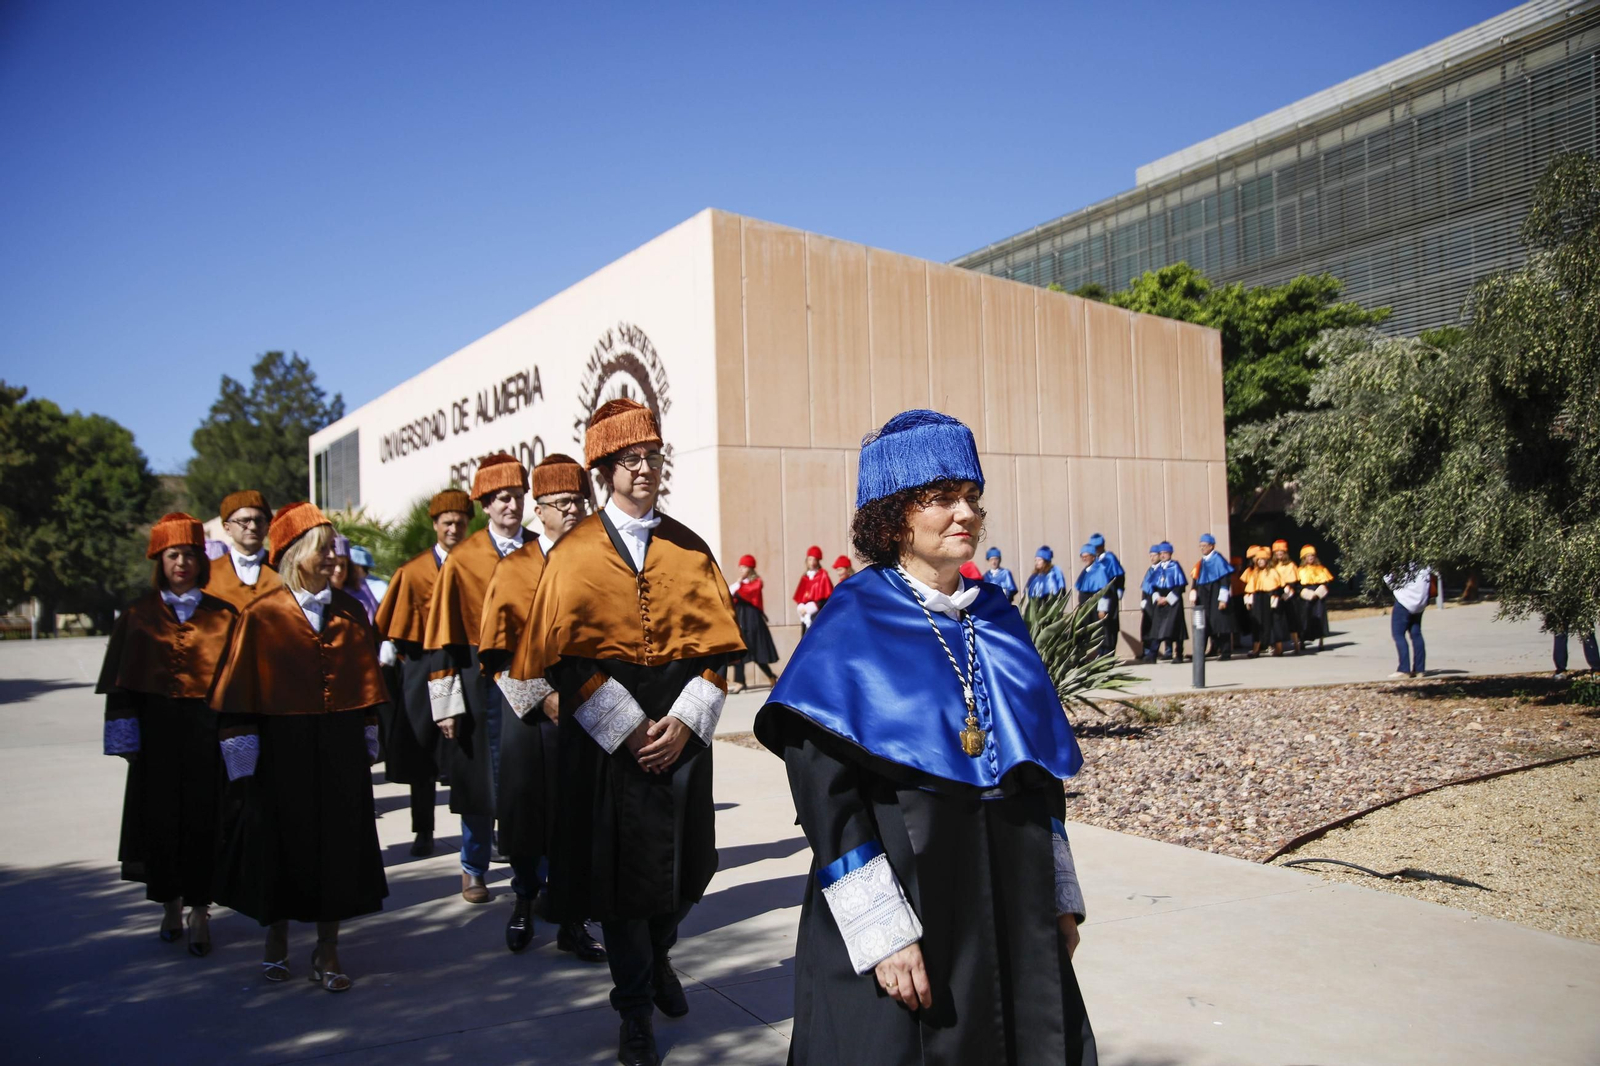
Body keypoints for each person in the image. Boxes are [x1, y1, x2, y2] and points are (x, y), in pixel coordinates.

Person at [753, 409, 1095, 1066]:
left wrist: (1059, 898)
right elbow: (828, 798)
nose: (964, 512)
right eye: (940, 498)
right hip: (906, 898)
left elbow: (1038, 771)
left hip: (1010, 895)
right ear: (892, 518)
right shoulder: (852, 620)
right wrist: (882, 934)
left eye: (971, 497)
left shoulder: (997, 616)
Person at [515, 398, 745, 1066]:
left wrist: (684, 722)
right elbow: (562, 659)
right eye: (630, 458)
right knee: (619, 882)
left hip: (680, 724)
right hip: (605, 732)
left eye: (652, 456)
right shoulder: (573, 553)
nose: (644, 468)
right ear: (604, 468)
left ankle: (661, 956)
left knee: (684, 869)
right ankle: (634, 1007)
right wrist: (626, 727)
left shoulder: (690, 547)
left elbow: (717, 655)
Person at [211, 502, 389, 992]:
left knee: (336, 848)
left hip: (338, 747)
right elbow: (239, 696)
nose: (335, 558)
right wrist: (243, 762)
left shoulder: (351, 611)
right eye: (325, 549)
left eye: (335, 549)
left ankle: (328, 948)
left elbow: (367, 688)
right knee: (282, 846)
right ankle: (276, 938)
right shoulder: (261, 614)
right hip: (281, 749)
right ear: (295, 555)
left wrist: (369, 736)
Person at [479, 452, 608, 960]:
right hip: (532, 711)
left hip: (592, 704)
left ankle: (572, 922)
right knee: (529, 814)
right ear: (540, 510)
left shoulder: (601, 559)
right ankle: (523, 899)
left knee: (580, 820)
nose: (572, 511)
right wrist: (546, 698)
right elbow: (495, 653)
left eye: (578, 501)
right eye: (560, 503)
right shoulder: (515, 569)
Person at [97, 512, 236, 957]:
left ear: (201, 560)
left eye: (190, 555)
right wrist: (126, 739)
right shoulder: (137, 615)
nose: (182, 563)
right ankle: (170, 905)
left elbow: (238, 682)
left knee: (203, 822)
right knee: (159, 822)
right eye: (174, 555)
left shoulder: (224, 615)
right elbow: (119, 684)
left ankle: (199, 911)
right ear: (160, 560)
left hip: (206, 735)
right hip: (155, 737)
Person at [424, 453, 527, 906]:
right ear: (485, 503)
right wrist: (445, 705)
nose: (512, 506)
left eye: (518, 497)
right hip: (473, 678)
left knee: (529, 779)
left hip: (527, 677)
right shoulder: (462, 560)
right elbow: (441, 640)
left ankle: (533, 868)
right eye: (502, 498)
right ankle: (473, 867)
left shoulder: (540, 550)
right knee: (477, 780)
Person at [371, 490, 467, 859]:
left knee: (468, 752)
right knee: (421, 752)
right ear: (435, 525)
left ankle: (479, 828)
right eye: (448, 523)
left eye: (460, 522)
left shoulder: (478, 564)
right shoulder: (412, 572)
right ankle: (423, 830)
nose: (454, 528)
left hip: (465, 663)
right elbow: (389, 625)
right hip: (422, 664)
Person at [206, 490, 283, 609]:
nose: (252, 527)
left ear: (267, 526)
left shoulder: (283, 569)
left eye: (259, 521)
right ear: (227, 528)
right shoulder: (209, 572)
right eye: (244, 521)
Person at [726, 554, 780, 694]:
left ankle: (771, 676)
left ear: (750, 568)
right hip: (740, 618)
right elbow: (729, 594)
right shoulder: (740, 583)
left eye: (743, 567)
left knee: (756, 652)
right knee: (740, 650)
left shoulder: (756, 582)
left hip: (752, 620)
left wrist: (738, 586)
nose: (741, 569)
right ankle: (740, 681)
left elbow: (745, 593)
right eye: (740, 567)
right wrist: (738, 584)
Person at [1188, 534, 1234, 661]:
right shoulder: (1201, 562)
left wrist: (1223, 599)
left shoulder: (1218, 560)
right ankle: (1200, 652)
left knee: (1220, 624)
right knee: (1204, 624)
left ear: (1211, 546)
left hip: (1215, 596)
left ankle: (1225, 652)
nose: (1202, 548)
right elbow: (1196, 579)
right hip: (1203, 596)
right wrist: (1193, 591)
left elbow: (1225, 581)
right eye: (1200, 546)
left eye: (1204, 546)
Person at [1384, 565, 1433, 678]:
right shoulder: (1424, 563)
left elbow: (1391, 581)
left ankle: (1404, 669)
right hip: (1420, 603)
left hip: (1404, 601)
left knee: (1398, 634)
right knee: (1416, 634)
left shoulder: (1402, 562)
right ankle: (1420, 669)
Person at [1074, 544, 1120, 658]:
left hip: (1097, 607)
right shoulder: (1086, 571)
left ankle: (1105, 655)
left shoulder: (1100, 569)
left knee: (1102, 631)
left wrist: (1102, 608)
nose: (1084, 558)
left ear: (1093, 557)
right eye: (1082, 556)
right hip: (1087, 608)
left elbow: (1104, 591)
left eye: (1086, 556)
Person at [1148, 542, 1187, 663]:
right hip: (1160, 602)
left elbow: (1180, 586)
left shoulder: (1175, 567)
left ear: (1170, 553)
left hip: (1173, 603)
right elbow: (1153, 587)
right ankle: (1152, 654)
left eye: (1165, 553)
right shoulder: (1158, 568)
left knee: (1175, 628)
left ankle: (1178, 654)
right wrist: (1157, 597)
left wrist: (1168, 599)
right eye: (1161, 553)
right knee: (1157, 629)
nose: (1163, 555)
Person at [1243, 547, 1285, 657]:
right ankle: (1256, 649)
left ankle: (1279, 648)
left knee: (1274, 623)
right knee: (1257, 624)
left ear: (1267, 560)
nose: (1260, 561)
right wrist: (1248, 601)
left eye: (1263, 559)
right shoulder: (1255, 573)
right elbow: (1250, 588)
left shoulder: (1273, 572)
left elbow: (1279, 587)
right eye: (1258, 560)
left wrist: (1275, 597)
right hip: (1258, 599)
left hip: (1271, 598)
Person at [1295, 545, 1334, 651]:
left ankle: (1321, 641)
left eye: (1312, 556)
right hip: (1305, 597)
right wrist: (1306, 593)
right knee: (1304, 618)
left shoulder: (1321, 569)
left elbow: (1327, 583)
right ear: (1304, 558)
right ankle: (1302, 640)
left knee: (1320, 616)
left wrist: (1318, 593)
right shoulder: (1299, 570)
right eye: (1308, 556)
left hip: (1318, 596)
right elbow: (1297, 586)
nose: (1310, 558)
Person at [1269, 540, 1302, 653]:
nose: (1279, 553)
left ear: (1285, 552)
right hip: (1275, 593)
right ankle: (1278, 647)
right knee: (1276, 620)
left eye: (1281, 551)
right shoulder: (1272, 565)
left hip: (1289, 594)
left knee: (1291, 619)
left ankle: (1296, 645)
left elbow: (1294, 581)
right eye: (1277, 551)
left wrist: (1288, 590)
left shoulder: (1291, 565)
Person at [793, 546, 834, 632]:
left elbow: (826, 597)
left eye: (814, 560)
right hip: (805, 614)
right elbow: (801, 596)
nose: (812, 562)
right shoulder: (805, 577)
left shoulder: (823, 576)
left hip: (817, 613)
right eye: (810, 559)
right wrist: (801, 606)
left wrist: (812, 607)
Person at [1138, 545, 1161, 663]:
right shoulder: (1150, 570)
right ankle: (1146, 651)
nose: (1152, 558)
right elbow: (1145, 587)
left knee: (1156, 629)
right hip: (1148, 603)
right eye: (1150, 556)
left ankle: (1155, 652)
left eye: (1154, 555)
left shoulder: (1162, 569)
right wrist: (1143, 601)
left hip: (1157, 603)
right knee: (1146, 628)